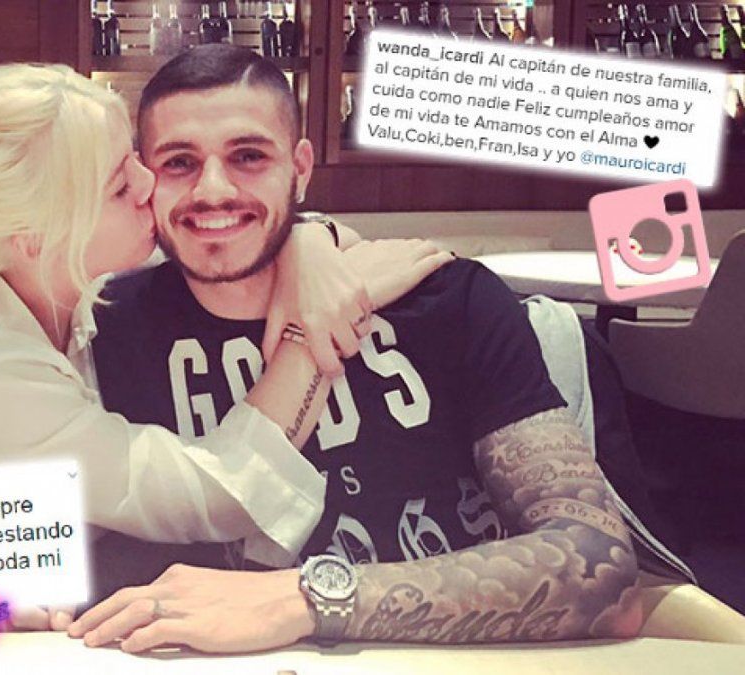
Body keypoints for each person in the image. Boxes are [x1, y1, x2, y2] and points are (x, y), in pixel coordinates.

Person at [66, 45, 643, 652]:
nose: (213, 190)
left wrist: (309, 599)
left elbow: (599, 565)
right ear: (146, 179)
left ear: (300, 168)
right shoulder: (102, 330)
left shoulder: (448, 301)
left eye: (249, 156)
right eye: (180, 162)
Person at [0, 62, 449, 595]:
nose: (152, 185)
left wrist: (309, 244)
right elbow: (218, 495)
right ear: (32, 237)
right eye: (121, 185)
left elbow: (236, 227)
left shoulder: (49, 271)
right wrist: (312, 335)